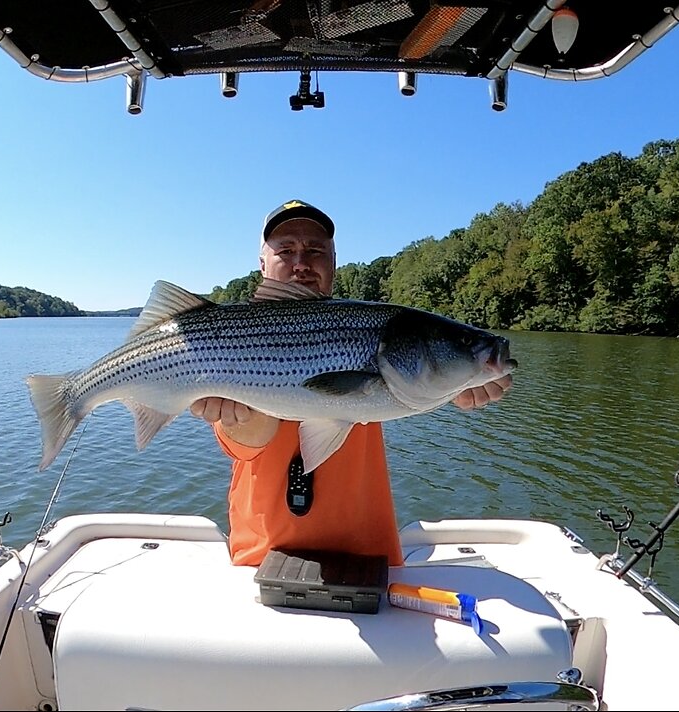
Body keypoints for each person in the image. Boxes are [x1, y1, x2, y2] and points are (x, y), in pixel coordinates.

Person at [189, 199, 512, 568]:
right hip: (261, 562)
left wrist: (462, 380)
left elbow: (416, 383)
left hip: (371, 562)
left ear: (334, 262)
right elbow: (251, 441)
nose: (301, 263)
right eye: (286, 250)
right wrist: (239, 416)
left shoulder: (371, 325)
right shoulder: (229, 337)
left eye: (315, 250)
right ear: (262, 264)